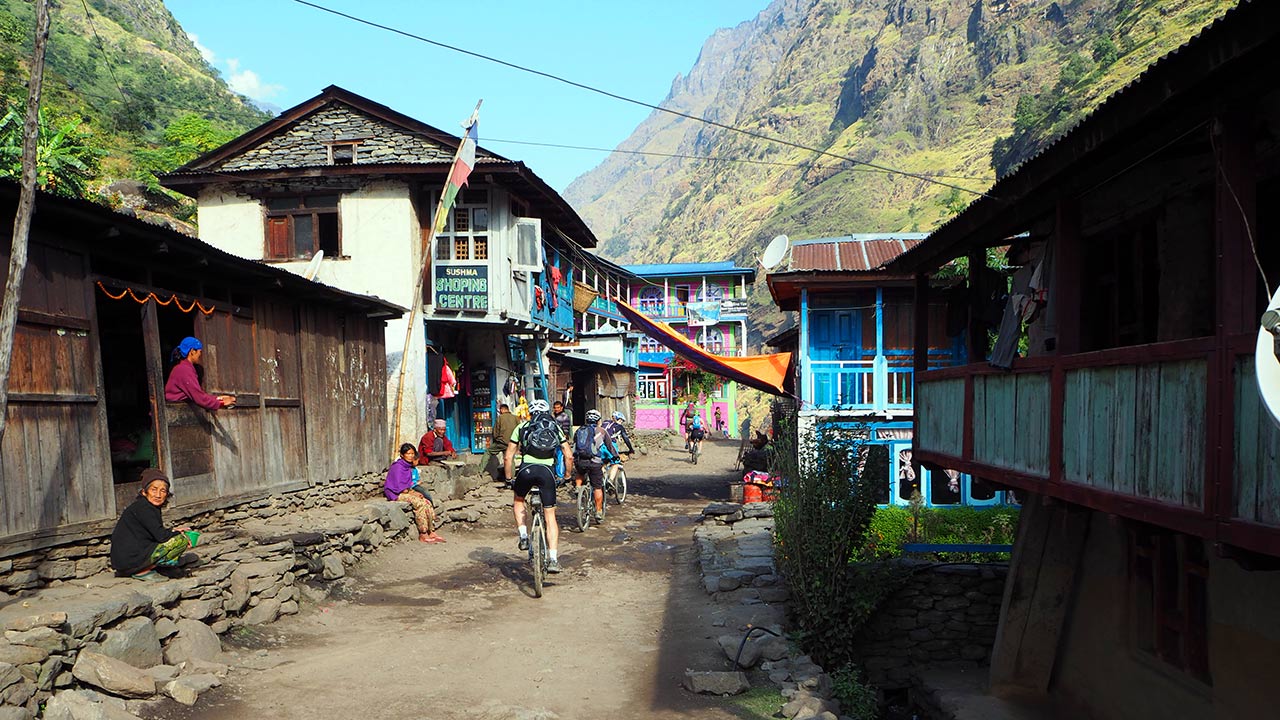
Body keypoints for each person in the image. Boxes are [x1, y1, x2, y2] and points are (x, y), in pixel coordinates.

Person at [505, 399, 572, 573]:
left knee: (519, 499)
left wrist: (508, 479)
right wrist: (566, 476)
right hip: (547, 473)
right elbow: (568, 455)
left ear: (530, 412)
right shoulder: (554, 427)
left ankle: (524, 535)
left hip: (526, 471)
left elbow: (508, 457)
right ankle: (553, 559)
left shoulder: (521, 427)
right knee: (550, 515)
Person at [110, 469, 197, 581]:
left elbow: (154, 531)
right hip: (129, 561)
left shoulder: (147, 507)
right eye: (154, 490)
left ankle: (154, 567)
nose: (158, 495)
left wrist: (174, 530)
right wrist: (179, 534)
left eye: (163, 491)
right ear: (144, 492)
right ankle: (143, 571)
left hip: (126, 562)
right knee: (180, 540)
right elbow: (161, 536)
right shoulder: (144, 508)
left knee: (176, 537)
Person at [385, 444, 444, 543]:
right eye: (408, 454)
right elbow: (400, 487)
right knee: (420, 504)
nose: (411, 456)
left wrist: (414, 492)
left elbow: (408, 486)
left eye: (412, 453)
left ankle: (431, 530)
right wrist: (413, 494)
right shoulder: (398, 467)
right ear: (402, 455)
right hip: (396, 493)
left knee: (427, 502)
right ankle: (423, 533)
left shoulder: (407, 467)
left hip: (406, 491)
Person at [572, 409, 619, 523]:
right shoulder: (602, 431)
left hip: (581, 461)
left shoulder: (579, 430)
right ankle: (598, 511)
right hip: (595, 462)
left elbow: (574, 445)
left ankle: (578, 487)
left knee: (580, 471)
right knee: (597, 487)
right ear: (598, 421)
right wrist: (615, 457)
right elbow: (610, 447)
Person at [164, 337, 235, 411]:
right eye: (199, 351)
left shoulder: (185, 368)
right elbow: (199, 397)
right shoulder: (183, 370)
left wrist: (218, 398)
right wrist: (221, 403)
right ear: (192, 351)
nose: (200, 355)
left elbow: (197, 393)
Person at [486, 403, 521, 483]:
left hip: (501, 443)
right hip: (513, 443)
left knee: (488, 452)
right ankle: (511, 478)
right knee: (510, 459)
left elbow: (495, 431)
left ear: (502, 409)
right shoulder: (515, 418)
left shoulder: (500, 418)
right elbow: (520, 429)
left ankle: (480, 471)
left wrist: (496, 440)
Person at [552, 400, 572, 479]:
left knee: (560, 457)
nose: (556, 409)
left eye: (558, 408)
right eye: (555, 408)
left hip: (561, 440)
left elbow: (566, 430)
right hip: (554, 440)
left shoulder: (564, 417)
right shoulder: (555, 417)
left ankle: (560, 474)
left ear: (561, 408)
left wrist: (564, 439)